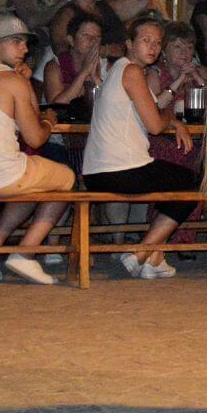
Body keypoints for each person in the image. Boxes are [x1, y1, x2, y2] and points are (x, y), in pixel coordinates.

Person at [81, 18, 196, 279]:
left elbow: (156, 108)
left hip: (99, 170)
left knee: (179, 181)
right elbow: (156, 125)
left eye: (157, 43)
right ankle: (141, 251)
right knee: (191, 185)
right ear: (129, 43)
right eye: (146, 40)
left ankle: (154, 257)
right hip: (119, 169)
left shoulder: (123, 70)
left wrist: (173, 119)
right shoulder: (132, 71)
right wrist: (172, 119)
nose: (153, 47)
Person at [0, 16, 76, 284]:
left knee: (33, 182)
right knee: (67, 178)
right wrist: (49, 120)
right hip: (1, 173)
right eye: (16, 42)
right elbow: (36, 137)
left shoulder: (12, 79)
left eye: (25, 43)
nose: (24, 49)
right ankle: (25, 254)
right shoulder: (12, 81)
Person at [42, 14, 104, 107]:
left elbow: (112, 105)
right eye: (85, 35)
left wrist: (95, 78)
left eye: (97, 37)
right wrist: (83, 73)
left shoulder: (106, 66)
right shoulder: (55, 66)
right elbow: (56, 107)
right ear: (71, 40)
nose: (92, 40)